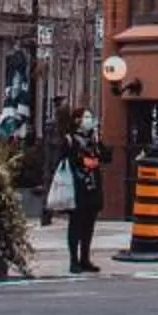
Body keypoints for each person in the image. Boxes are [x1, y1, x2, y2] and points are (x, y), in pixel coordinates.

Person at [59, 114, 106, 274]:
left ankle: (85, 258)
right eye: (85, 117)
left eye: (90, 117)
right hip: (76, 187)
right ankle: (73, 260)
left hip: (92, 186)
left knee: (89, 225)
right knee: (76, 225)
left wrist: (99, 142)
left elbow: (107, 157)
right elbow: (62, 160)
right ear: (77, 120)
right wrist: (80, 160)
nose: (89, 120)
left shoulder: (93, 140)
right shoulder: (69, 140)